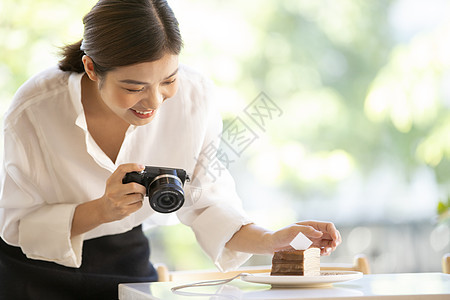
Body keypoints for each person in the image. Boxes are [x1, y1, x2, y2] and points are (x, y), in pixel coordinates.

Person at [0, 0, 341, 299]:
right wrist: (102, 209)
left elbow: (208, 205)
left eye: (168, 80)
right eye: (134, 87)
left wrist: (273, 240)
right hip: (30, 271)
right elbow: (16, 226)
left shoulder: (194, 100)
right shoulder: (33, 112)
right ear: (91, 68)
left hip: (125, 258)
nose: (154, 101)